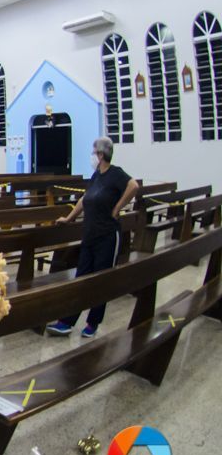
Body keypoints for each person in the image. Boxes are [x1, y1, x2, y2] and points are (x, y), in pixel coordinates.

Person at [46, 137, 140, 338]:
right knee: (81, 277)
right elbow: (85, 198)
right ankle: (67, 321)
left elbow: (133, 186)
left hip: (107, 235)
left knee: (101, 280)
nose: (92, 156)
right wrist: (69, 218)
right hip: (89, 234)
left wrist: (117, 208)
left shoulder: (115, 173)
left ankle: (92, 323)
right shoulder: (96, 175)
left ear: (100, 154)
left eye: (93, 152)